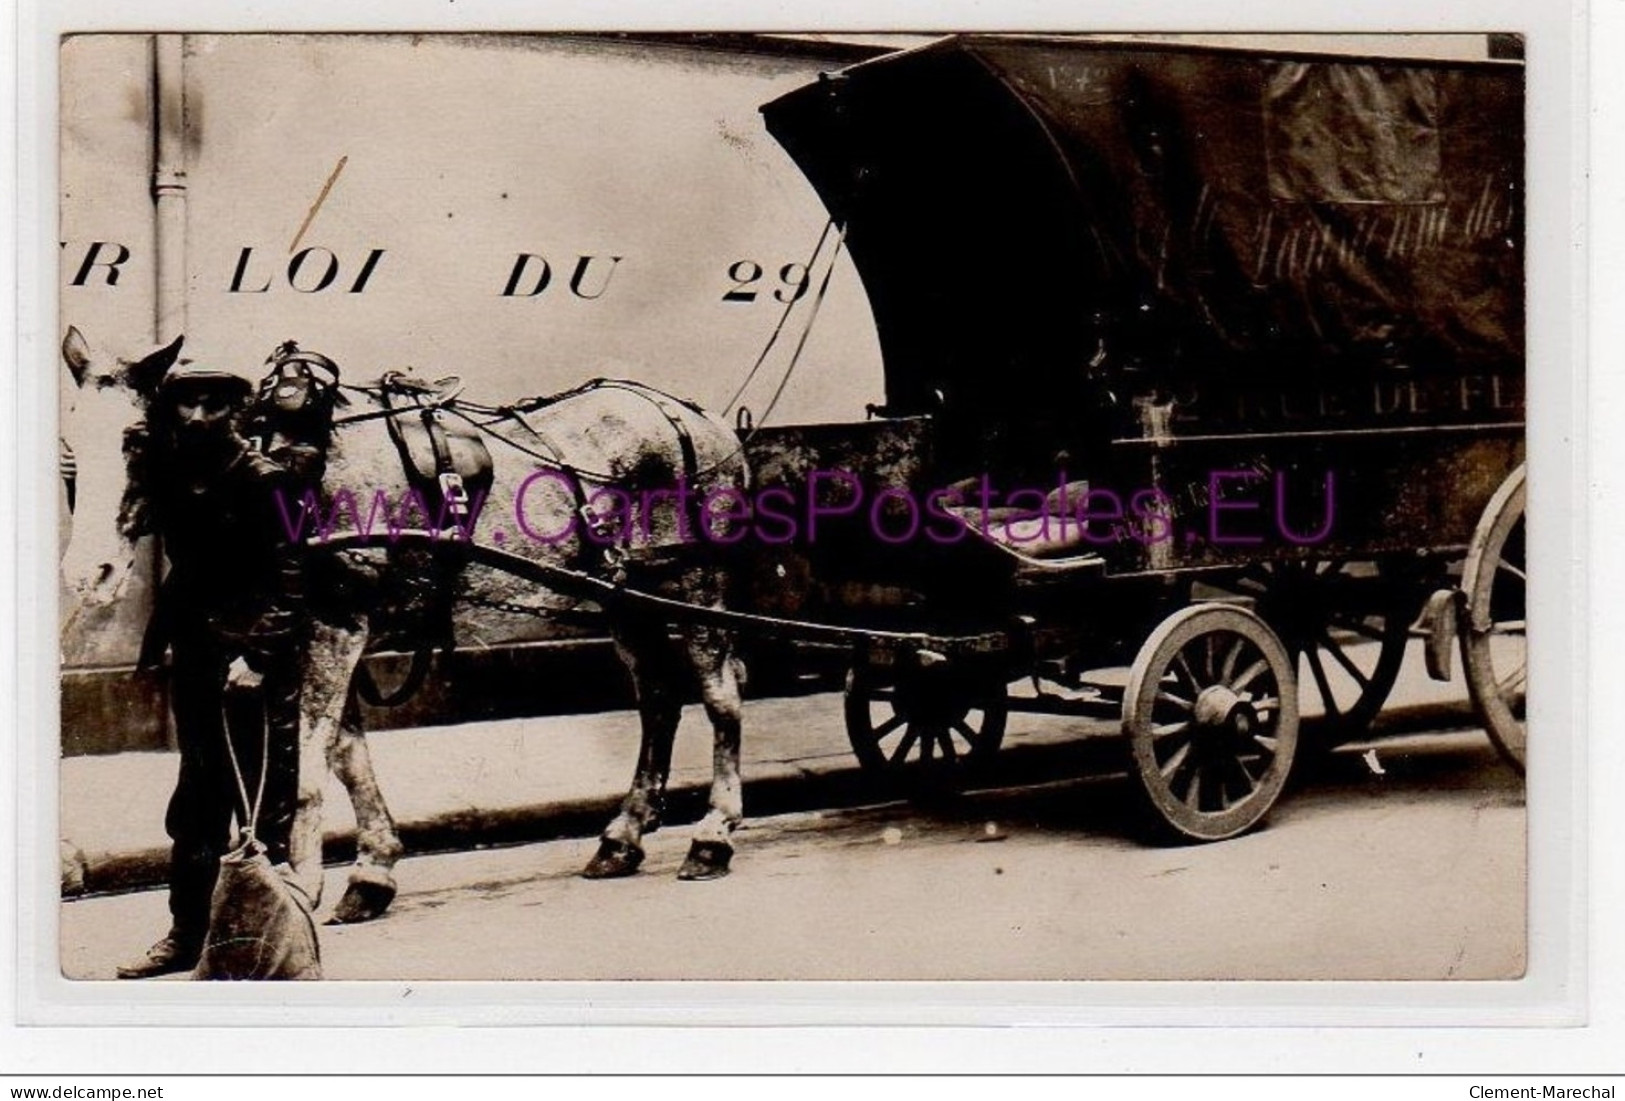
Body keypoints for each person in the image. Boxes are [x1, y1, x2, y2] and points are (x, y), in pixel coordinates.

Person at [117, 357, 308, 979]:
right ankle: (186, 934)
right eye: (186, 404)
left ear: (238, 410)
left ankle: (269, 943)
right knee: (196, 801)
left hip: (251, 659)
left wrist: (257, 655)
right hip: (197, 654)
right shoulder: (170, 474)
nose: (198, 416)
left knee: (260, 806)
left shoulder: (268, 479)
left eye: (214, 404)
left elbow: (292, 575)